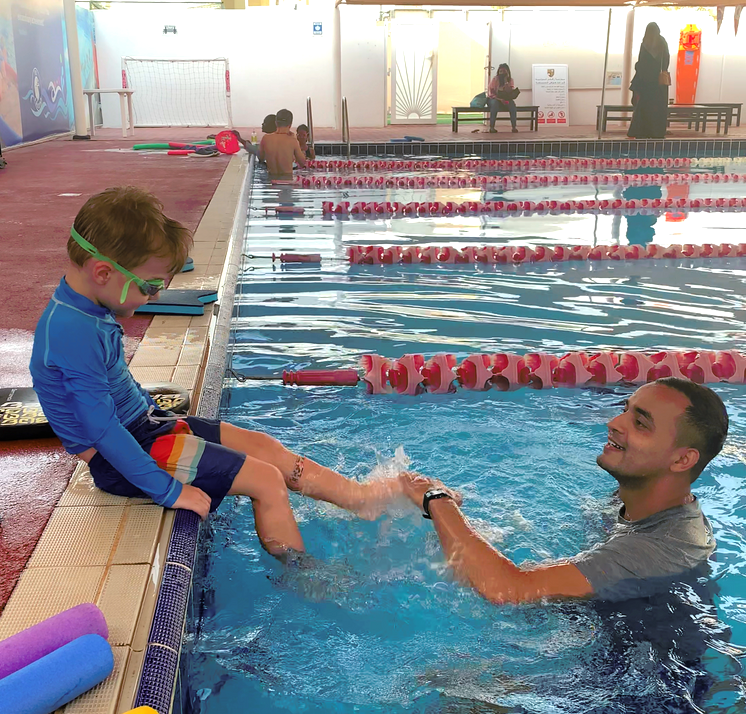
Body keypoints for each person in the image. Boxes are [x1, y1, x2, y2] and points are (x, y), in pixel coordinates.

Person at [30, 188, 403, 558]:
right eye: (150, 285)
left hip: (147, 426)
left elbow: (118, 386)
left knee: (263, 446)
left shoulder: (87, 311)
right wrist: (169, 491)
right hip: (121, 456)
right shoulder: (72, 331)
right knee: (266, 481)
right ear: (103, 272)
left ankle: (360, 499)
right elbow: (103, 431)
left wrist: (158, 413)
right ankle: (306, 578)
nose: (155, 296)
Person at [401, 379, 728, 604]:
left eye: (640, 423)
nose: (614, 423)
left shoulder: (660, 547)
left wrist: (436, 499)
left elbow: (505, 589)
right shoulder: (637, 497)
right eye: (625, 409)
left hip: (639, 678)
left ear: (682, 460)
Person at [627, 22, 670, 139]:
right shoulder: (662, 42)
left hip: (645, 81)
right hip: (658, 82)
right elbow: (666, 60)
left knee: (643, 106)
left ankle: (642, 131)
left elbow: (641, 62)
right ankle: (657, 132)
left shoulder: (645, 43)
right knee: (658, 107)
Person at [259, 108, 307, 183]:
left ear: (276, 123)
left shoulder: (265, 138)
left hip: (271, 181)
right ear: (290, 125)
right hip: (287, 182)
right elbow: (302, 163)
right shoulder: (292, 140)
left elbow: (261, 158)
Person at [487, 63, 519, 133]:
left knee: (512, 105)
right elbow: (491, 94)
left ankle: (514, 127)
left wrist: (506, 81)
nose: (502, 73)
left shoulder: (510, 80)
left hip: (505, 99)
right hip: (494, 99)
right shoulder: (495, 79)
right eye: (500, 71)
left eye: (504, 71)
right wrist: (500, 99)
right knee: (495, 104)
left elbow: (509, 91)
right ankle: (492, 127)